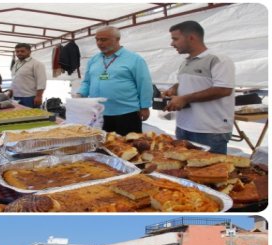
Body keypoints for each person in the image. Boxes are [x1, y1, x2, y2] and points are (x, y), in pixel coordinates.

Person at [163, 20, 235, 154]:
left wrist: (184, 99)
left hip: (209, 130)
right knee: (184, 171)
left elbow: (224, 89)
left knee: (210, 173)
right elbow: (188, 83)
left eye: (175, 39)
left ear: (191, 37)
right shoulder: (185, 62)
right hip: (183, 126)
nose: (172, 43)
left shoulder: (218, 59)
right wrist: (174, 88)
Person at [76, 27, 153, 135]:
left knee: (127, 147)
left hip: (127, 114)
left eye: (103, 39)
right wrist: (80, 94)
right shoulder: (94, 60)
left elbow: (144, 84)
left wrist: (145, 107)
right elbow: (87, 82)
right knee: (101, 145)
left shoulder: (134, 59)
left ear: (117, 39)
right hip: (98, 113)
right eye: (97, 39)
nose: (99, 43)